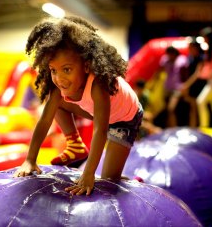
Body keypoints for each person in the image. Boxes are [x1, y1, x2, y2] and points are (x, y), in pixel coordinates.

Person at [13, 16, 143, 196]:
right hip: (99, 113)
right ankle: (75, 144)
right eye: (53, 70)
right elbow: (44, 120)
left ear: (87, 66)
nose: (59, 79)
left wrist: (88, 174)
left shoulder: (99, 85)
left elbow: (100, 130)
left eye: (67, 69)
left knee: (108, 181)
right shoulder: (60, 87)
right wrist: (30, 159)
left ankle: (136, 186)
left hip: (125, 119)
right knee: (56, 103)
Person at [157, 46, 189, 127]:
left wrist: (185, 87)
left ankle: (173, 128)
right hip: (168, 87)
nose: (169, 56)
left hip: (178, 87)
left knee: (171, 108)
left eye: (171, 54)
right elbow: (160, 69)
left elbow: (185, 75)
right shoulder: (165, 60)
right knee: (166, 109)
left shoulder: (181, 61)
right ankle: (169, 126)